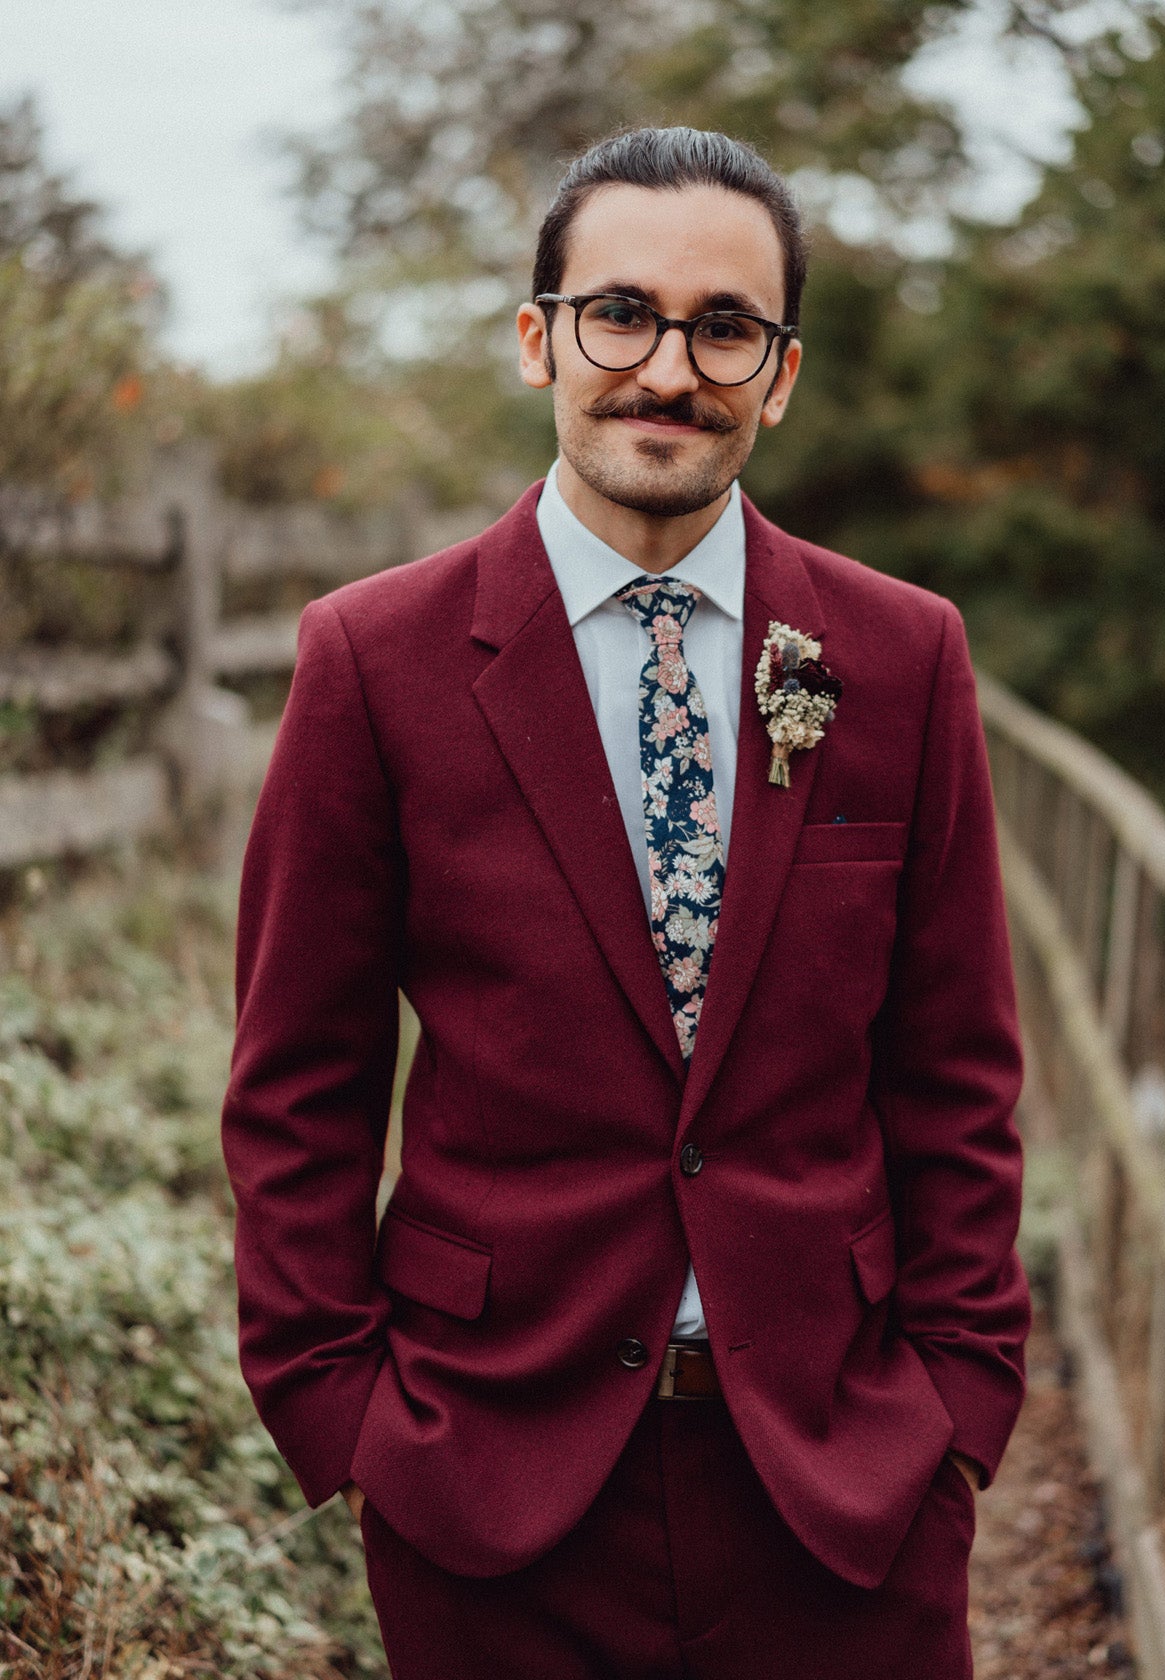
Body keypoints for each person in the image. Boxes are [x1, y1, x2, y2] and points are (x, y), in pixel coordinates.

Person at [222, 126, 1029, 1679]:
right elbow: (298, 1082)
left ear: (779, 373)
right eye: (622, 313)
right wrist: (344, 1413)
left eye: (726, 326)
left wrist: (960, 1408)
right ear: (540, 339)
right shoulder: (372, 664)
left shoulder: (904, 656)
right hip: (492, 1490)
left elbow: (960, 1070)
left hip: (843, 1488)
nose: (670, 367)